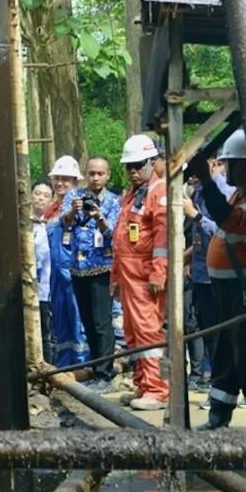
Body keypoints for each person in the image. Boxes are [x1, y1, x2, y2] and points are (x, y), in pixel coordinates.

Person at [190, 128, 246, 433]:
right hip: (228, 290)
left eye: (230, 163)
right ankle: (219, 415)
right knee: (225, 351)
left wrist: (207, 181)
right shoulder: (242, 193)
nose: (225, 169)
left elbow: (233, 221)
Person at [112, 134, 168, 411]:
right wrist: (115, 277)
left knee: (148, 332)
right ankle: (143, 385)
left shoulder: (158, 192)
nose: (133, 171)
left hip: (145, 275)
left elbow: (163, 238)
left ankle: (156, 389)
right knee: (133, 333)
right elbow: (121, 238)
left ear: (152, 162)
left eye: (138, 165)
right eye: (129, 166)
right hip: (128, 275)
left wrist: (159, 273)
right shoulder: (133, 195)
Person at [61, 156, 121, 392]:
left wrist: (100, 218)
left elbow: (114, 236)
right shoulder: (73, 197)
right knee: (87, 321)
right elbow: (63, 225)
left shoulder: (114, 202)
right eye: (91, 173)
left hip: (102, 269)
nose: (95, 178)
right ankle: (96, 369)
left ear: (108, 176)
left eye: (100, 173)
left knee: (101, 322)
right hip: (78, 268)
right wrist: (72, 212)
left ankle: (105, 374)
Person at [183, 155, 235, 391]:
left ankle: (229, 385)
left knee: (224, 335)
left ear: (214, 163)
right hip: (201, 272)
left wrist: (195, 216)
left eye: (198, 168)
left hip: (221, 275)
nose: (193, 173)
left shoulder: (223, 192)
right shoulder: (198, 192)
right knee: (208, 332)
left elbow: (224, 232)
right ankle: (216, 385)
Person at [45, 156, 89, 368]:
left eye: (66, 179)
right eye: (58, 178)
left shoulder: (80, 206)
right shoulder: (51, 208)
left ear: (75, 182)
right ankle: (64, 365)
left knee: (78, 320)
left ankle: (83, 365)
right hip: (55, 275)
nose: (60, 183)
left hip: (73, 271)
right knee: (61, 322)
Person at [31, 182, 54, 364]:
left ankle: (46, 371)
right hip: (26, 288)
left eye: (46, 195)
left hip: (46, 288)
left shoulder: (52, 225)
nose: (40, 198)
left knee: (45, 332)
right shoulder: (21, 223)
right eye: (37, 193)